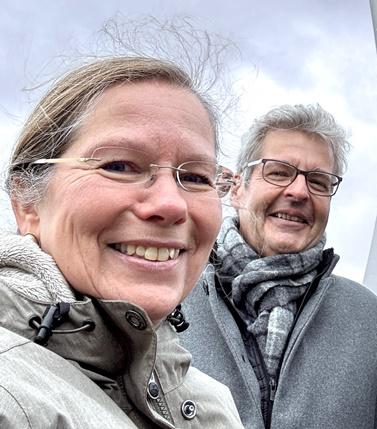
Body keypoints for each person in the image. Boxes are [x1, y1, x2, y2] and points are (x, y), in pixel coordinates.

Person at [0, 57, 243, 428]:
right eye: (118, 166)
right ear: (27, 203)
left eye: (195, 177)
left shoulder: (212, 401)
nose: (171, 204)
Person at [181, 104, 377, 429]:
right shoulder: (169, 304)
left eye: (319, 181)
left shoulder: (369, 320)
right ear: (237, 189)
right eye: (278, 172)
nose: (298, 191)